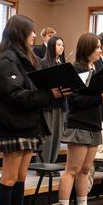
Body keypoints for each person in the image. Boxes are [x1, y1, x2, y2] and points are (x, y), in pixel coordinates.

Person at [0, 14, 67, 205]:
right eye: (31, 31)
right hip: (13, 126)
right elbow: (15, 96)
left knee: (21, 179)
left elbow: (29, 90)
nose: (35, 35)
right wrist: (48, 95)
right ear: (19, 34)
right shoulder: (5, 61)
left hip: (27, 124)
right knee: (9, 179)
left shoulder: (24, 59)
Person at [57, 33, 103, 205]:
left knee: (85, 170)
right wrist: (99, 99)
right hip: (79, 123)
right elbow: (73, 100)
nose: (100, 50)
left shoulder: (96, 69)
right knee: (72, 170)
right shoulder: (75, 69)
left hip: (94, 124)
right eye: (97, 46)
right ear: (87, 48)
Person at [39, 35, 67, 165]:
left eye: (62, 45)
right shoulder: (43, 63)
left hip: (60, 104)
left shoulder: (63, 64)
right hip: (48, 104)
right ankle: (43, 164)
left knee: (57, 135)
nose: (61, 47)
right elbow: (39, 84)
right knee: (48, 136)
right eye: (58, 45)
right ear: (51, 46)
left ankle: (52, 163)